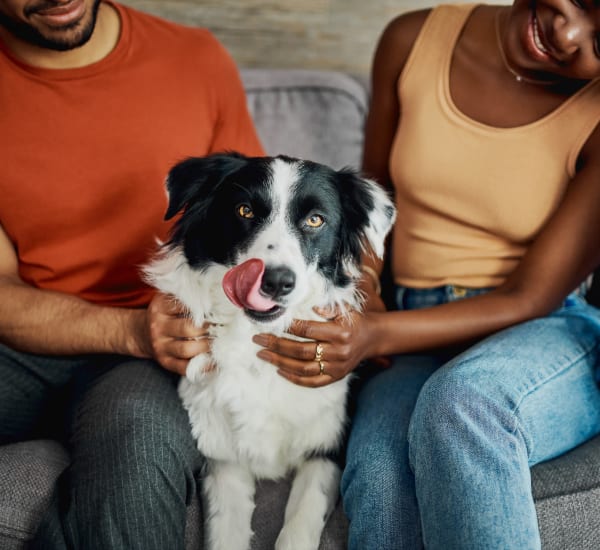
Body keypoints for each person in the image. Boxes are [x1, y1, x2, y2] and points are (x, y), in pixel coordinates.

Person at [252, 0, 600, 548]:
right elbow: (371, 209)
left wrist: (373, 336)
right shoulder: (413, 38)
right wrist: (363, 300)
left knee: (464, 405)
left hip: (540, 331)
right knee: (379, 471)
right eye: (582, 2)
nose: (567, 32)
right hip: (410, 328)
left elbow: (531, 296)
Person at [0, 0, 263, 548]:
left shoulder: (195, 60)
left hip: (165, 344)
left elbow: (261, 234)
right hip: (29, 338)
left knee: (137, 443)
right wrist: (127, 330)